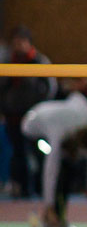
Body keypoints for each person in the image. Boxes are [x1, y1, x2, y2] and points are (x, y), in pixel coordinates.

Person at [21, 90, 87, 227]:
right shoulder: (58, 132)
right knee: (56, 172)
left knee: (68, 171)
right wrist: (49, 205)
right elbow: (50, 171)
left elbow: (75, 95)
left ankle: (59, 217)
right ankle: (48, 216)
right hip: (31, 127)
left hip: (52, 116)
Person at [0, 26, 56, 198]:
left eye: (21, 42)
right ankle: (22, 189)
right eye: (15, 43)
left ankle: (40, 188)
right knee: (18, 154)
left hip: (35, 117)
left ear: (29, 43)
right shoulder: (8, 63)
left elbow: (49, 88)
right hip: (14, 117)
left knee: (40, 153)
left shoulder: (39, 61)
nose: (18, 46)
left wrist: (42, 109)